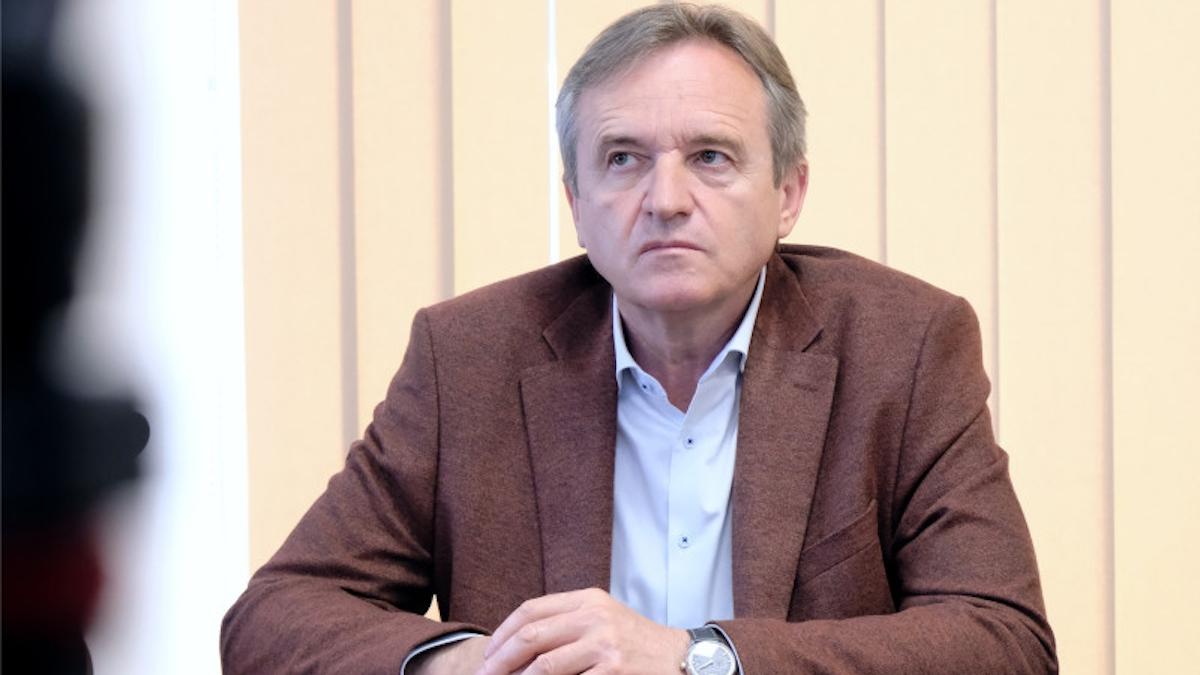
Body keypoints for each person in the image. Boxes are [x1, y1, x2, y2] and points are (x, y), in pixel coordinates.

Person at [221, 4, 1056, 673]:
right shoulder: (468, 357)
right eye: (623, 158)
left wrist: (699, 658)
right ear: (576, 203)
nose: (665, 199)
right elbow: (272, 617)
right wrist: (466, 660)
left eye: (711, 156)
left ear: (788, 194)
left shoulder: (905, 347)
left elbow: (1004, 639)